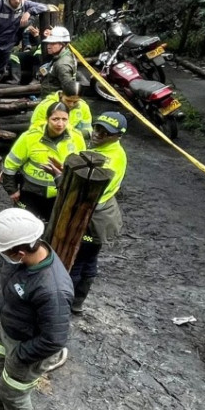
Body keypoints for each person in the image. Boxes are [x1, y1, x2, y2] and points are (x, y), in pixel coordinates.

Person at [0, 208, 72, 410]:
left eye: (3, 251)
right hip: (7, 330)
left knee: (13, 392)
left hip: (26, 346)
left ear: (19, 252)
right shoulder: (22, 260)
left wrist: (21, 355)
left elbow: (54, 338)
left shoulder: (52, 289)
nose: (1, 256)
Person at [70, 112, 128, 314]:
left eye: (105, 133)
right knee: (88, 259)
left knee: (79, 260)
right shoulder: (103, 150)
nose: (98, 135)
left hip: (94, 218)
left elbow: (88, 190)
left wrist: (61, 178)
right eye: (97, 129)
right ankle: (76, 302)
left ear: (117, 136)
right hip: (100, 215)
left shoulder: (111, 159)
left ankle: (71, 301)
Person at [2, 102, 86, 221]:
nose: (60, 124)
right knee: (22, 225)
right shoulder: (29, 137)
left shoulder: (77, 138)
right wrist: (12, 190)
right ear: (47, 119)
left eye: (64, 119)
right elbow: (10, 165)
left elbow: (81, 168)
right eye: (55, 119)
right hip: (30, 194)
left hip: (59, 196)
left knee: (52, 230)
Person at [38, 26, 77, 98]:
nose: (48, 46)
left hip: (56, 103)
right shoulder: (59, 57)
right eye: (48, 43)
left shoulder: (62, 64)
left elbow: (69, 91)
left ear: (62, 44)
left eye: (53, 43)